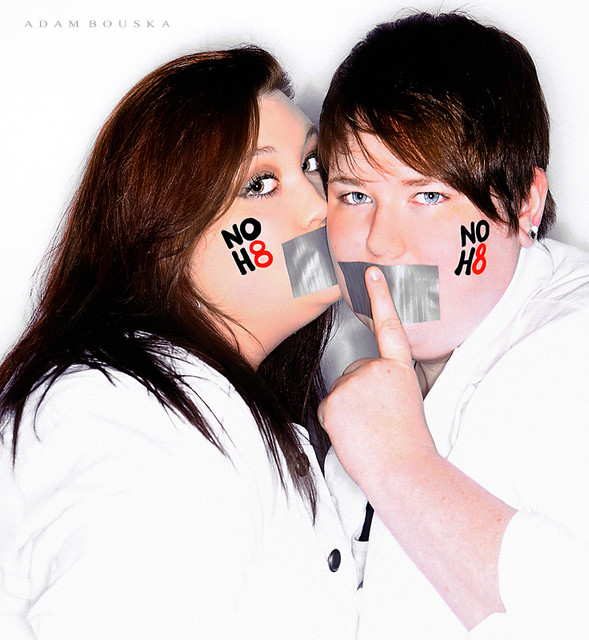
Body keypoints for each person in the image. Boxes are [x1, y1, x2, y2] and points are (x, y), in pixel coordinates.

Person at [0, 48, 358, 639]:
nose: (320, 207)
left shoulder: (205, 400)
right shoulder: (125, 415)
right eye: (260, 184)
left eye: (312, 164)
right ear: (164, 236)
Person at [317, 11, 589, 639]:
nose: (380, 242)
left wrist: (400, 464)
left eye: (429, 196)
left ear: (524, 204)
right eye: (355, 196)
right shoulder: (350, 347)